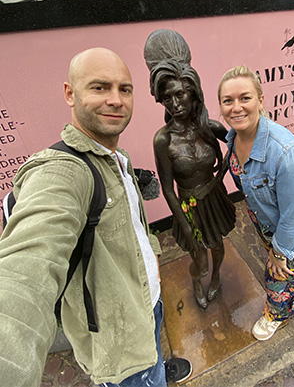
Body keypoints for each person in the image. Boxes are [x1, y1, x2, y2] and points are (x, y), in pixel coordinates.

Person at [0, 48, 190, 386]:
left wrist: (153, 258)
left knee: (154, 354)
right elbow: (25, 272)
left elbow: (133, 222)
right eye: (100, 88)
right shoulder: (62, 173)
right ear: (70, 94)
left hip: (147, 303)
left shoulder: (117, 156)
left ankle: (157, 367)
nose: (116, 100)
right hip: (119, 346)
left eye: (125, 89)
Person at [218, 65, 294, 341]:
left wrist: (280, 253)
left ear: (260, 99)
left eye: (245, 98)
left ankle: (278, 314)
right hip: (271, 218)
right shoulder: (234, 137)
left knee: (280, 278)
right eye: (228, 101)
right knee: (282, 268)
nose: (236, 107)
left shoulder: (286, 154)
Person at [150, 59, 236, 310]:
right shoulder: (163, 140)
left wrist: (226, 166)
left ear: (193, 94)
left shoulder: (211, 128)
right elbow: (167, 188)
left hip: (214, 198)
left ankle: (217, 275)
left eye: (180, 95)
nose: (175, 104)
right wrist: (186, 226)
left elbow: (236, 142)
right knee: (198, 256)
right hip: (187, 205)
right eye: (167, 98)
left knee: (218, 246)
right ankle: (197, 281)